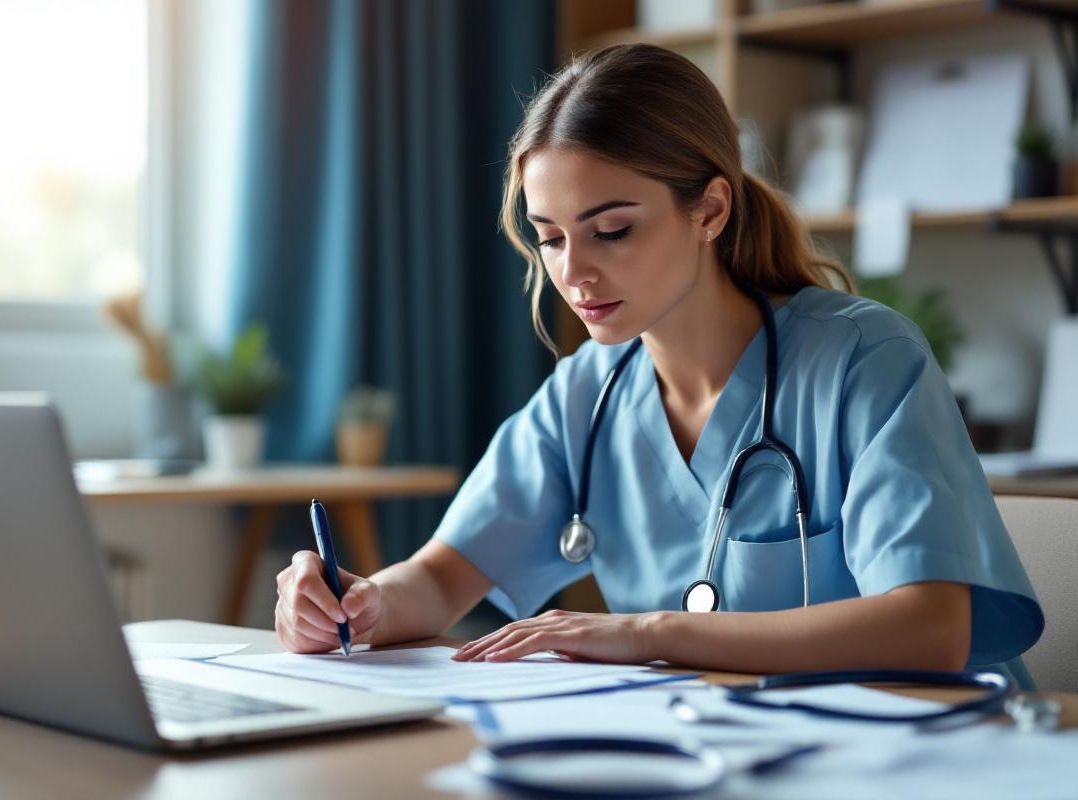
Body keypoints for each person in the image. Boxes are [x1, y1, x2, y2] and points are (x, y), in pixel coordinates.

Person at [274, 43, 1043, 686]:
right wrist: (357, 602)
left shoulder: (864, 361)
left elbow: (931, 627)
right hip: (714, 751)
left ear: (709, 209)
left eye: (610, 230)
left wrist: (645, 634)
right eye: (550, 235)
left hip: (926, 755)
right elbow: (441, 578)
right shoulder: (587, 392)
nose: (573, 273)